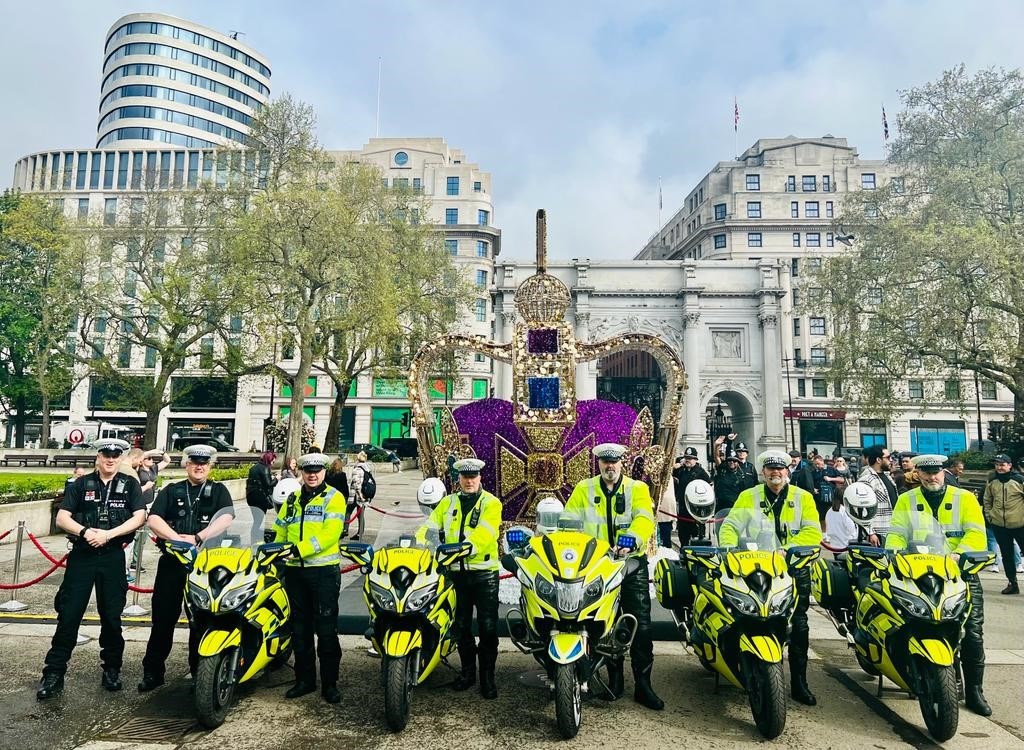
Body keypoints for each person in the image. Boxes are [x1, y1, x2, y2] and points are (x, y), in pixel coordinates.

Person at [36, 438, 147, 700]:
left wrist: (108, 535)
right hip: (83, 555)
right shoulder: (81, 484)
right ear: (98, 456)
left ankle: (112, 669)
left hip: (112, 556)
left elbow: (139, 516)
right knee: (69, 615)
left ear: (121, 458)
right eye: (106, 454)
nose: (110, 459)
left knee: (111, 617)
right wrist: (86, 532)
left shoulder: (129, 484)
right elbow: (62, 517)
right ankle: (54, 673)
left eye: (115, 455)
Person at [886, 454, 991, 715]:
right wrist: (894, 553)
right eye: (926, 472)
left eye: (937, 472)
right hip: (921, 573)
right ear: (918, 474)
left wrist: (960, 553)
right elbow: (897, 533)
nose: (932, 477)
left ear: (944, 473)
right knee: (916, 622)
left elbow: (977, 533)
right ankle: (937, 677)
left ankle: (975, 690)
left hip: (961, 573)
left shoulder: (964, 498)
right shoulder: (906, 500)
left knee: (971, 632)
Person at [563, 443, 663, 710]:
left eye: (614, 462)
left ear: (622, 463)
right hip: (598, 565)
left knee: (639, 623)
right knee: (603, 623)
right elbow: (569, 521)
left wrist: (633, 537)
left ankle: (644, 685)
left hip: (631, 564)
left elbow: (644, 518)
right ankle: (614, 681)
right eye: (605, 462)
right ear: (599, 464)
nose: (610, 466)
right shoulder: (584, 488)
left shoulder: (637, 489)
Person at [718, 450, 822, 706]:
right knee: (742, 616)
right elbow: (730, 526)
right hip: (756, 568)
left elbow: (812, 532)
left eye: (780, 469)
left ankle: (799, 683)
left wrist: (789, 549)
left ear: (788, 471)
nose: (776, 473)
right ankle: (743, 670)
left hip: (793, 568)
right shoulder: (748, 496)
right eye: (770, 469)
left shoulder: (803, 498)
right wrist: (729, 550)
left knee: (798, 625)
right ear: (763, 472)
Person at [139, 445, 235, 691]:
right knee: (163, 618)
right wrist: (177, 538)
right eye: (194, 462)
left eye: (204, 462)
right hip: (173, 562)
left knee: (202, 619)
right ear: (186, 464)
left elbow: (226, 518)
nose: (199, 466)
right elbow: (154, 518)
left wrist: (199, 536)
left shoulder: (219, 491)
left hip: (206, 565)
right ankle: (153, 671)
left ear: (210, 465)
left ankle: (198, 672)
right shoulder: (172, 490)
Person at [415, 458, 502, 699]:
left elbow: (486, 533)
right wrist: (421, 542)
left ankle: (487, 678)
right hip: (455, 575)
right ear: (458, 479)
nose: (469, 481)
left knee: (487, 628)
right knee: (460, 626)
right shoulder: (447, 503)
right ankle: (467, 673)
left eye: (473, 476)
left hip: (483, 574)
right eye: (465, 477)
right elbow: (429, 527)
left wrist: (465, 548)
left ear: (480, 478)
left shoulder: (491, 503)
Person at [273, 452, 347, 704]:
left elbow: (330, 534)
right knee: (299, 629)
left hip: (323, 572)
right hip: (294, 571)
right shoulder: (292, 498)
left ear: (324, 472)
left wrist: (299, 549)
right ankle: (304, 680)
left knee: (326, 630)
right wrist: (275, 551)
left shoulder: (334, 498)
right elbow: (280, 528)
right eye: (307, 470)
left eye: (317, 470)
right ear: (301, 473)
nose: (312, 474)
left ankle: (330, 684)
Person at [982, 454, 1024, 595]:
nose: (999, 467)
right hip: (999, 525)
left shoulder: (1019, 480)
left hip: (1020, 524)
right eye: (997, 464)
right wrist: (990, 517)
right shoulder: (992, 481)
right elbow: (987, 500)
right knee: (1007, 556)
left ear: (1009, 465)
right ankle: (1012, 583)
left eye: (1002, 464)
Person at [673, 447, 712, 547]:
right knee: (683, 537)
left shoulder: (701, 472)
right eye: (686, 458)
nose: (688, 460)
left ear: (695, 459)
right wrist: (675, 466)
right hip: (683, 508)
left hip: (696, 510)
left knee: (696, 538)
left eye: (690, 458)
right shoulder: (681, 471)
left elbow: (709, 487)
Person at [856, 445, 895, 545]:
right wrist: (870, 532)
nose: (891, 460)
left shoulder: (887, 476)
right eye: (888, 457)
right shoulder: (866, 479)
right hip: (878, 534)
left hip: (891, 530)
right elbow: (861, 508)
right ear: (878, 459)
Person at [245, 452, 277, 544]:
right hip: (260, 497)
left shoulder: (254, 467)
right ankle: (256, 539)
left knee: (256, 519)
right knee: (259, 520)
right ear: (269, 460)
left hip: (251, 496)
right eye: (272, 462)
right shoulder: (265, 468)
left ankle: (254, 538)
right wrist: (276, 479)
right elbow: (268, 484)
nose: (273, 464)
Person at [345, 451, 373, 541]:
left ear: (357, 459)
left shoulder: (357, 469)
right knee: (360, 515)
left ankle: (345, 529)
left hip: (356, 495)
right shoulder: (367, 469)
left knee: (348, 512)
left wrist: (360, 495)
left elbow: (356, 483)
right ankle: (360, 532)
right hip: (364, 495)